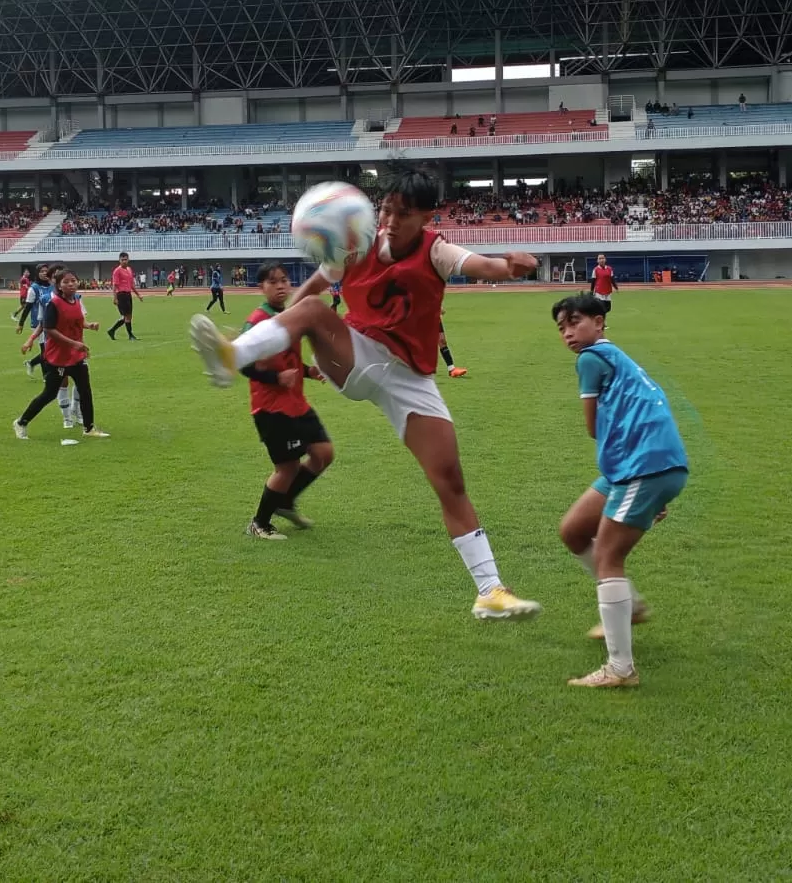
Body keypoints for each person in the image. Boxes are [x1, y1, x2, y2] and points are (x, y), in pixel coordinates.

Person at [189, 165, 541, 620]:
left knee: (449, 480)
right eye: (387, 210)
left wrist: (509, 267)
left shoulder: (436, 251)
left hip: (411, 380)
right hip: (356, 356)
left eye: (404, 214)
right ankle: (230, 356)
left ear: (427, 217)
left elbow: (480, 265)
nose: (391, 221)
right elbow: (316, 287)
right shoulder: (354, 246)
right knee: (314, 310)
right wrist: (276, 328)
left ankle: (490, 591)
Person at [552, 293, 688, 689]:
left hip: (643, 465)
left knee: (609, 555)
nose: (568, 333)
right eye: (561, 328)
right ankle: (631, 606)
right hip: (637, 464)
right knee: (574, 531)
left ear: (599, 322)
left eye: (574, 322)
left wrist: (650, 484)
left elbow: (593, 426)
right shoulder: (615, 357)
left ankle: (620, 669)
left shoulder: (591, 359)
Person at [239, 262, 335, 539]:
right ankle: (259, 523)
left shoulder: (290, 316)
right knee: (288, 467)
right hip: (272, 408)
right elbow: (241, 364)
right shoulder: (258, 320)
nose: (281, 285)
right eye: (273, 282)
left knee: (323, 454)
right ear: (261, 287)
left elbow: (288, 360)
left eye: (284, 280)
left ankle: (284, 501)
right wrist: (276, 379)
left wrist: (308, 371)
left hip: (296, 403)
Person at [13, 267, 108, 441]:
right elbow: (49, 329)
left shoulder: (77, 301)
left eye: (73, 280)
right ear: (58, 285)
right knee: (49, 394)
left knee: (85, 391)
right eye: (66, 282)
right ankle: (21, 422)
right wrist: (74, 344)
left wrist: (89, 326)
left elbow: (75, 322)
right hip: (58, 358)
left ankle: (89, 428)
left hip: (76, 356)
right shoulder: (54, 304)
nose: (71, 284)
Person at [107, 251, 143, 340]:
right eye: (122, 260)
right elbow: (115, 286)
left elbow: (131, 285)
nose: (124, 261)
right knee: (126, 316)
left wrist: (138, 295)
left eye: (126, 259)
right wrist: (115, 298)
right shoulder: (117, 271)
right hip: (121, 295)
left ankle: (112, 330)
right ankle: (130, 335)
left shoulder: (129, 270)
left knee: (128, 316)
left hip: (128, 294)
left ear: (128, 260)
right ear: (119, 260)